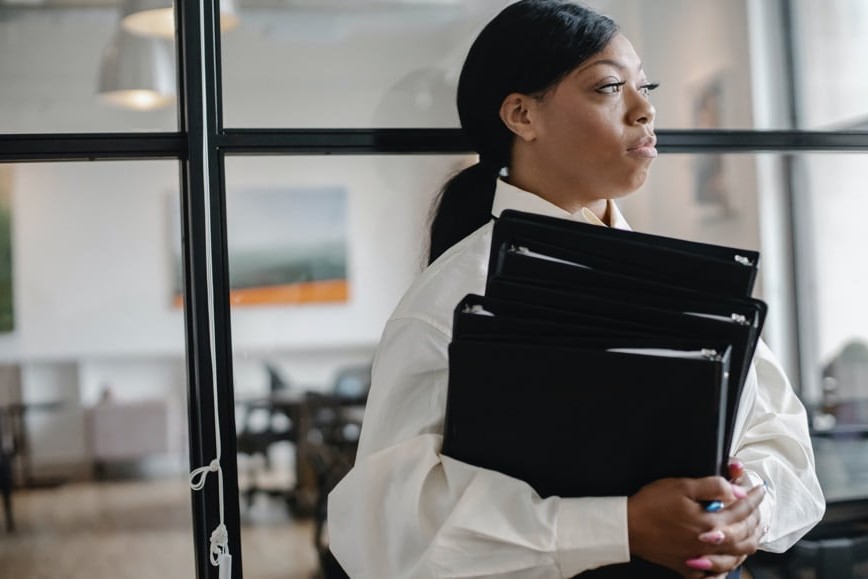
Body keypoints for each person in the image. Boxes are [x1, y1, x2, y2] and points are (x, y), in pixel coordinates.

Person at [328, 1, 825, 577]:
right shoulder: (449, 302)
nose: (646, 109)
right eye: (610, 87)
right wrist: (622, 527)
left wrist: (746, 509)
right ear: (522, 115)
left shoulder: (686, 280)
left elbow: (783, 445)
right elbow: (389, 532)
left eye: (646, 86)